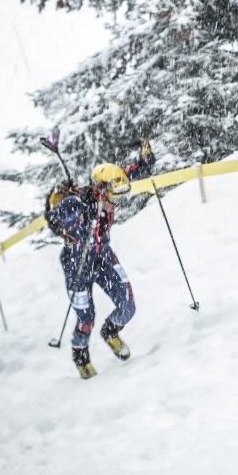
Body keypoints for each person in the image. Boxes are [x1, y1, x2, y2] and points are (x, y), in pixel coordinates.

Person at [48, 143, 154, 379]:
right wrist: (78, 209)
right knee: (86, 318)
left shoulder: (112, 188)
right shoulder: (77, 201)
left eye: (122, 195)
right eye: (115, 196)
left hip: (103, 256)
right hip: (78, 264)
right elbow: (53, 219)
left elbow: (131, 173)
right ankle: (81, 356)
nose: (118, 202)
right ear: (101, 190)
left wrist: (146, 161)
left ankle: (110, 331)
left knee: (127, 305)